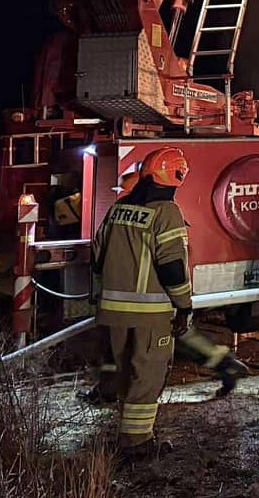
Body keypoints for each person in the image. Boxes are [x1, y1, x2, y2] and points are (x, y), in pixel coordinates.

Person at [81, 169, 246, 405]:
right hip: (156, 299)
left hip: (151, 300)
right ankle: (225, 364)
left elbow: (103, 257)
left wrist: (182, 303)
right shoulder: (157, 212)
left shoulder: (137, 213)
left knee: (141, 343)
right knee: (169, 337)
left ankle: (225, 364)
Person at [91, 146, 194, 459]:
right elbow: (172, 267)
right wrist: (184, 305)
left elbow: (96, 257)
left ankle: (129, 436)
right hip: (151, 315)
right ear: (177, 177)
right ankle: (137, 444)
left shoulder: (118, 209)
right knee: (147, 377)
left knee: (126, 373)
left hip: (114, 313)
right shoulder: (166, 213)